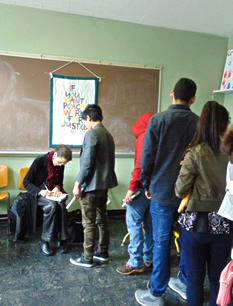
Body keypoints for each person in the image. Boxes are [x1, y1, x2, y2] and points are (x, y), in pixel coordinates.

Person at [135, 77, 199, 306]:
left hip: (160, 191)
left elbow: (147, 156)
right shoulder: (198, 123)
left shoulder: (158, 120)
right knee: (188, 239)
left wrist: (146, 183)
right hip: (189, 194)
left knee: (161, 242)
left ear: (172, 93)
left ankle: (156, 293)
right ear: (193, 99)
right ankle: (183, 281)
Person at [175, 101, 231, 306]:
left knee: (195, 279)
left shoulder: (195, 152)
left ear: (202, 124)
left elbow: (179, 190)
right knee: (219, 279)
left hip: (195, 223)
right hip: (225, 222)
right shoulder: (230, 154)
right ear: (225, 125)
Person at [69, 104, 118, 268]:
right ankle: (103, 252)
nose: (84, 124)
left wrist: (78, 183)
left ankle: (87, 257)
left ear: (89, 118)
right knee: (102, 219)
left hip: (90, 187)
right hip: (103, 186)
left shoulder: (92, 134)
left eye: (84, 121)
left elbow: (88, 163)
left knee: (88, 223)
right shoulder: (108, 134)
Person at [116, 113, 153, 275]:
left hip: (140, 189)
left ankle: (136, 262)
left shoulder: (143, 137)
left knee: (134, 223)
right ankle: (149, 258)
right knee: (150, 225)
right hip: (154, 190)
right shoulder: (158, 137)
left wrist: (130, 191)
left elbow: (139, 166)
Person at [23, 144, 72, 256]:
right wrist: (41, 192)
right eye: (59, 162)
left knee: (61, 204)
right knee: (51, 206)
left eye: (63, 164)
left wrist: (57, 187)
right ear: (54, 155)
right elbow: (26, 182)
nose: (60, 165)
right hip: (37, 192)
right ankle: (44, 240)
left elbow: (59, 182)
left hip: (51, 192)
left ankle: (63, 238)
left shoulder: (60, 165)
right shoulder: (39, 161)